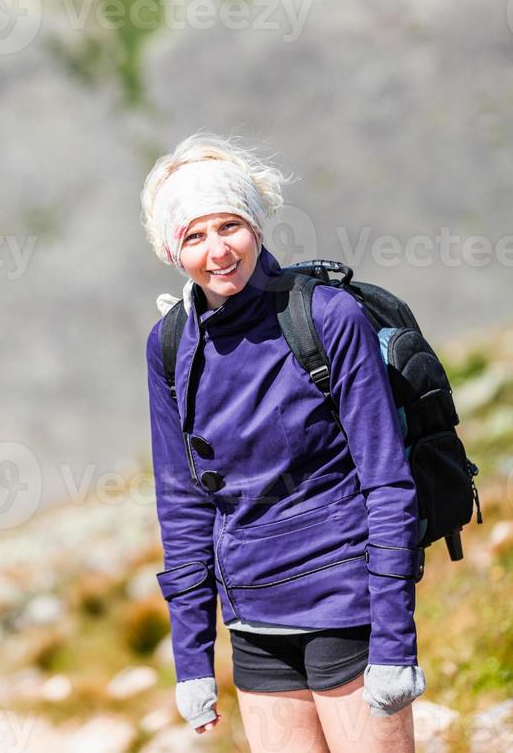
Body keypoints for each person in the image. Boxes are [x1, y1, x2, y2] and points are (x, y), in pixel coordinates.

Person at [140, 131, 426, 753]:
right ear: (170, 249)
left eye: (230, 226)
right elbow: (183, 504)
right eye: (194, 235)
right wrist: (192, 660)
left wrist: (394, 643)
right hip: (253, 617)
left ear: (258, 225)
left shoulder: (325, 317)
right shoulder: (169, 346)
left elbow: (386, 481)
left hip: (345, 598)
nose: (218, 251)